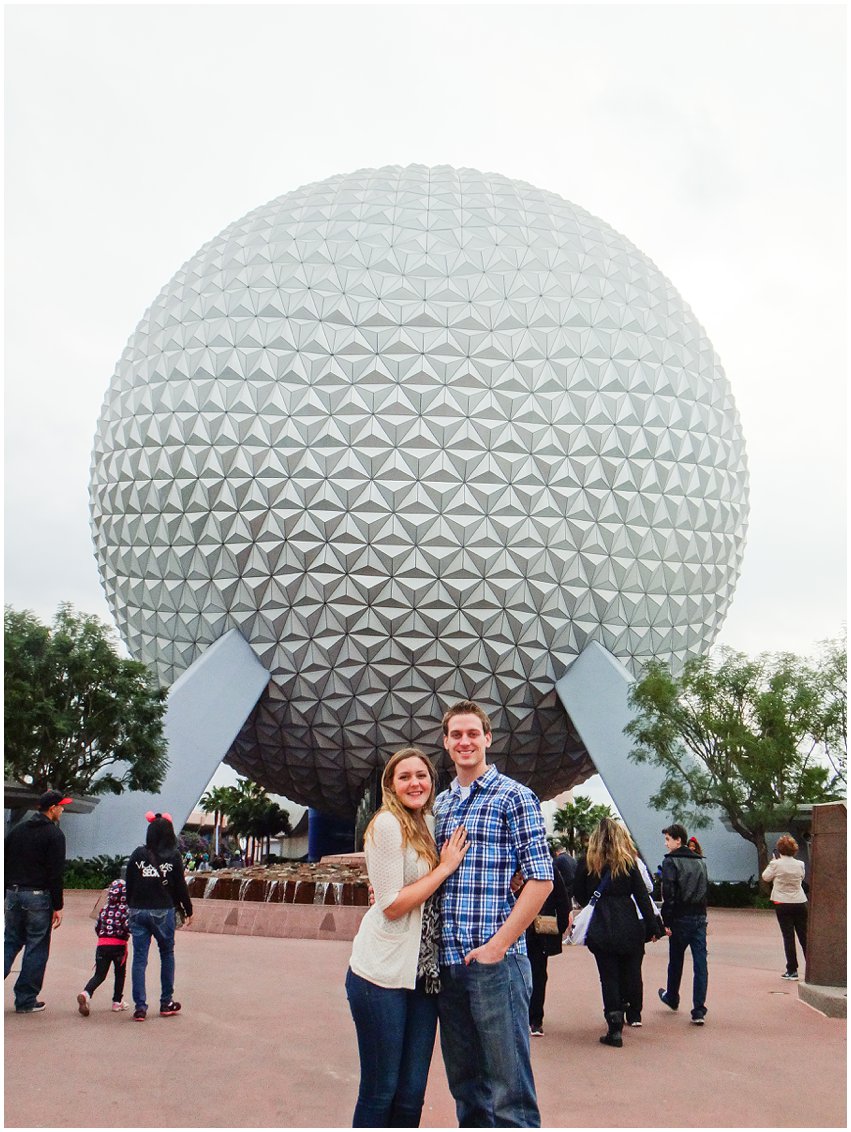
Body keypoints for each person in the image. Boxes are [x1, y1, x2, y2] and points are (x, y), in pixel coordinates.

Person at [433, 700, 553, 1128]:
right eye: (456, 735)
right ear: (446, 743)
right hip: (449, 964)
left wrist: (497, 947)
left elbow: (541, 878)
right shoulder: (442, 806)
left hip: (496, 964)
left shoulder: (515, 797)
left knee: (510, 1091)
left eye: (472, 734)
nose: (465, 742)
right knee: (466, 1087)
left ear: (488, 738)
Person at [346, 747, 469, 1127]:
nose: (415, 783)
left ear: (433, 782)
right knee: (381, 1089)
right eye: (404, 776)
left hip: (423, 976)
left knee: (412, 1093)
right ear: (390, 785)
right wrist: (445, 868)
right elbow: (391, 905)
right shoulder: (386, 824)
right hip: (380, 976)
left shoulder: (429, 821)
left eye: (422, 775)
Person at [572, 817, 661, 1046]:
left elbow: (579, 893)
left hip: (601, 923)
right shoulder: (628, 863)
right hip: (628, 922)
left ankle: (614, 1026)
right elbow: (642, 896)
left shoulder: (587, 862)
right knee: (629, 971)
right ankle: (628, 1008)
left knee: (608, 976)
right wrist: (653, 927)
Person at [4, 790, 71, 1013]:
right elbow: (55, 873)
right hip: (37, 897)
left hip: (13, 893)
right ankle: (25, 1000)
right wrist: (57, 905)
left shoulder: (17, 831)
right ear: (52, 808)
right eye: (61, 806)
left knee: (10, 942)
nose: (63, 810)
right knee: (36, 946)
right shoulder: (54, 835)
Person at [125, 812, 193, 1021]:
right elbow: (181, 887)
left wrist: (132, 905)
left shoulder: (138, 854)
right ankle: (166, 1002)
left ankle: (140, 1007)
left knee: (139, 959)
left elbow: (129, 882)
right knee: (166, 954)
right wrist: (188, 909)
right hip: (164, 911)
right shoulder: (174, 856)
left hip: (139, 910)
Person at [658, 822, 709, 1024]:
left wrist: (666, 920)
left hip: (680, 917)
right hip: (699, 916)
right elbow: (705, 889)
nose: (666, 844)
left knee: (676, 959)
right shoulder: (700, 862)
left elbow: (669, 893)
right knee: (700, 963)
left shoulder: (671, 861)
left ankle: (672, 996)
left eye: (668, 839)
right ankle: (698, 1009)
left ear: (678, 840)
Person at [523, 851, 570, 1037]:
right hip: (540, 930)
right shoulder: (550, 869)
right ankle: (535, 1019)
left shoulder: (516, 866)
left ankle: (527, 1015)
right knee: (539, 973)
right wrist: (559, 926)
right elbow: (563, 900)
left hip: (520, 929)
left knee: (520, 972)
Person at [77, 879, 130, 1015]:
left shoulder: (104, 909)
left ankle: (86, 993)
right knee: (119, 974)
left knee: (99, 975)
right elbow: (128, 927)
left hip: (102, 945)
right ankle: (117, 1002)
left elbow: (97, 927)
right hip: (119, 946)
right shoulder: (125, 910)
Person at [761, 834, 808, 980]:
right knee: (804, 936)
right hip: (800, 901)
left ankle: (792, 969)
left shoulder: (776, 864)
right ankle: (813, 969)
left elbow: (765, 877)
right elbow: (801, 877)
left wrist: (772, 863)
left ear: (780, 849)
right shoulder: (800, 864)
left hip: (782, 902)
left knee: (788, 937)